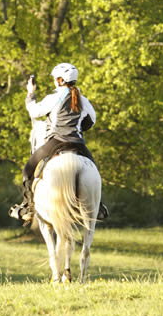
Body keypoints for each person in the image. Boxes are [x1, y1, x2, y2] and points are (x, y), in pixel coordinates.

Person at [9, 62, 108, 224]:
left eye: (56, 79)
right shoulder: (83, 99)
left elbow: (34, 112)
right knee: (93, 169)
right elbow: (92, 121)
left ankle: (27, 207)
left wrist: (30, 94)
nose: (54, 81)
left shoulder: (54, 97)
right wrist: (77, 128)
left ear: (61, 80)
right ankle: (98, 206)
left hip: (56, 142)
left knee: (28, 170)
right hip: (78, 143)